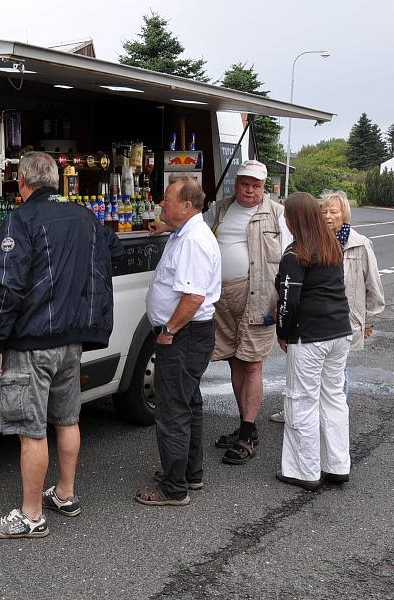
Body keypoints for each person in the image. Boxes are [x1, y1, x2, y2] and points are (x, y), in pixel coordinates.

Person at [0, 152, 122, 538]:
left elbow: (7, 285)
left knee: (32, 429)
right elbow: (115, 249)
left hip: (31, 342)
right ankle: (65, 494)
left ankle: (30, 516)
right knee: (68, 418)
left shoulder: (20, 219)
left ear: (22, 184)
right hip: (72, 340)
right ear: (57, 182)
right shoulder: (86, 217)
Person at [135, 176, 221, 507]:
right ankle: (189, 473)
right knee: (188, 403)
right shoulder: (186, 233)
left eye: (167, 200)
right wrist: (165, 229)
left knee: (173, 411)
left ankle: (174, 489)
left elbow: (193, 297)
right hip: (191, 335)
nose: (161, 203)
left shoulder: (193, 242)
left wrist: (169, 330)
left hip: (185, 335)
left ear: (187, 206)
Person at [269, 190, 385, 423]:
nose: (329, 216)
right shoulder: (311, 244)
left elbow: (373, 285)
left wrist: (369, 319)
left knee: (334, 377)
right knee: (314, 376)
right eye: (324, 211)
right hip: (315, 321)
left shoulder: (359, 244)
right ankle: (314, 414)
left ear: (345, 214)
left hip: (344, 318)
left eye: (334, 211)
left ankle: (326, 416)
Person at [204, 160, 292, 465]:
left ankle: (249, 432)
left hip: (259, 297)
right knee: (233, 361)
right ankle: (244, 426)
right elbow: (198, 233)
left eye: (256, 186)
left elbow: (292, 257)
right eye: (245, 184)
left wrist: (285, 303)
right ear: (236, 183)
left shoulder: (278, 214)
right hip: (221, 297)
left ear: (264, 187)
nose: (250, 190)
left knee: (252, 364)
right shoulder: (221, 208)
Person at [275, 192, 353, 491]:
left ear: (294, 219)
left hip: (310, 336)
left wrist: (283, 333)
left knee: (301, 400)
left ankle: (303, 471)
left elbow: (288, 303)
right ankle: (337, 465)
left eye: (287, 215)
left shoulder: (295, 253)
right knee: (333, 398)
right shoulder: (331, 245)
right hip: (339, 332)